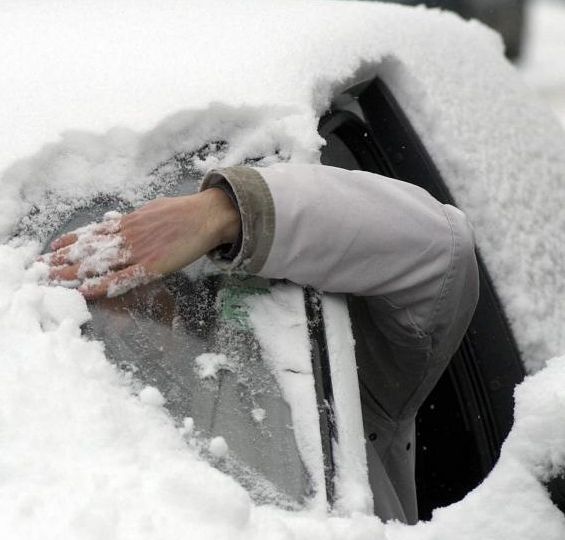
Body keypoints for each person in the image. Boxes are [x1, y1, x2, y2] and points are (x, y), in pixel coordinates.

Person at [44, 163, 479, 523]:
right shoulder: (65, 461)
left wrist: (225, 213)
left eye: (127, 275)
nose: (115, 310)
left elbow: (440, 250)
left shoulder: (307, 361)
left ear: (175, 278)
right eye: (89, 302)